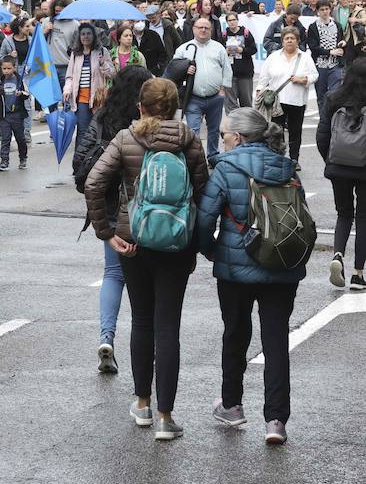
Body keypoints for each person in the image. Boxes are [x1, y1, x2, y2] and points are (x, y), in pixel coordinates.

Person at [84, 78, 209, 441]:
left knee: (141, 319)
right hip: (177, 243)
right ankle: (166, 418)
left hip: (133, 240)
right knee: (168, 325)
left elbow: (93, 183)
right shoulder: (188, 140)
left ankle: (142, 404)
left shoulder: (125, 139)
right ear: (173, 108)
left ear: (140, 107)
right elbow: (203, 190)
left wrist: (107, 233)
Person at [194, 107, 300, 445]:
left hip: (235, 269)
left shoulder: (226, 169)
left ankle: (232, 405)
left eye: (224, 134)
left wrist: (213, 252)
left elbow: (204, 220)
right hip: (282, 265)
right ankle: (276, 421)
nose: (221, 139)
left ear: (238, 137)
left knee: (235, 334)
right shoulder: (286, 166)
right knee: (276, 341)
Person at [73, 66, 152, 375]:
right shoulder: (149, 123)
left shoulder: (103, 118)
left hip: (111, 208)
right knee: (147, 279)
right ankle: (149, 346)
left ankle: (107, 337)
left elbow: (82, 164)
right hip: (148, 209)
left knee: (113, 274)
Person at [319, 59, 366, 289]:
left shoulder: (333, 98)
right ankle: (358, 273)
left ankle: (337, 254)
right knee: (364, 217)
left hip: (339, 165)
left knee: (343, 213)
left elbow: (322, 136)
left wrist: (330, 160)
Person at [255, 25, 316, 162]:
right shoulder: (273, 57)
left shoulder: (305, 57)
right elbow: (264, 77)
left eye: (292, 38)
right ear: (282, 41)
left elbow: (314, 75)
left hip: (297, 101)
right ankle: (278, 158)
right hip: (277, 102)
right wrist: (260, 89)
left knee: (295, 131)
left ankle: (294, 159)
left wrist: (304, 79)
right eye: (287, 38)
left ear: (297, 41)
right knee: (276, 131)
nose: (289, 40)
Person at [173, 18, 232, 157]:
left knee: (214, 129)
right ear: (193, 29)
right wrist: (184, 70)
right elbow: (174, 69)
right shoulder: (184, 48)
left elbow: (227, 69)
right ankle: (195, 158)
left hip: (215, 97)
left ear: (211, 30)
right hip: (193, 97)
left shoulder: (218, 48)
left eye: (206, 28)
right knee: (193, 130)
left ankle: (213, 155)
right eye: (200, 27)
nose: (203, 30)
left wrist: (223, 88)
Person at [63, 23, 116, 148]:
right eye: (83, 34)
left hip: (98, 99)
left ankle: (94, 156)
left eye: (88, 34)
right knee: (82, 130)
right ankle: (80, 158)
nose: (85, 37)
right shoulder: (75, 54)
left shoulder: (102, 51)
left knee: (98, 129)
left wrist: (103, 63)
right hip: (81, 99)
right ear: (79, 37)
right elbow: (70, 76)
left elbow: (112, 74)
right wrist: (67, 90)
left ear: (94, 36)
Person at [307, 0, 346, 118]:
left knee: (336, 92)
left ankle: (335, 118)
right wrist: (330, 52)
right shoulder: (313, 27)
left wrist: (343, 44)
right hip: (320, 65)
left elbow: (341, 39)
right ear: (318, 11)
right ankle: (324, 119)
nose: (325, 11)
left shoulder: (337, 25)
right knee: (321, 94)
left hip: (335, 65)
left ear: (330, 9)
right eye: (322, 9)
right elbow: (313, 47)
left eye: (327, 9)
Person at [0, 56, 29, 170]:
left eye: (9, 68)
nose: (6, 71)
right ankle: (4, 161)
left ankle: (23, 158)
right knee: (5, 139)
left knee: (20, 138)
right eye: (4, 68)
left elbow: (27, 94)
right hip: (5, 115)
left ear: (14, 68)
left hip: (17, 114)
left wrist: (21, 93)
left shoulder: (19, 80)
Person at [222, 11, 258, 109]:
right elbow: (219, 53)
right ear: (227, 22)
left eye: (234, 20)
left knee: (246, 103)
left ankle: (246, 123)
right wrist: (226, 51)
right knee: (230, 104)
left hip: (245, 73)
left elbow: (254, 49)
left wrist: (242, 50)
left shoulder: (245, 32)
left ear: (237, 20)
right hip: (230, 74)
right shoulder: (224, 35)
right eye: (229, 20)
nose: (232, 22)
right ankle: (232, 123)